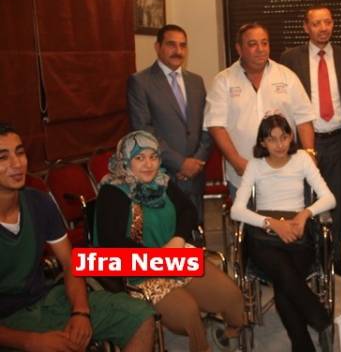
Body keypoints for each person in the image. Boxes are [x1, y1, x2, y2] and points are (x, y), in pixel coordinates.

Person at [0, 123, 155, 352]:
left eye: (20, 153)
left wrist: (80, 312)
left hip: (46, 301)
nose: (17, 163)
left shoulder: (38, 202)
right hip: (9, 324)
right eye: (3, 157)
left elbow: (70, 263)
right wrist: (31, 341)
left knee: (140, 316)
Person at [95, 130, 244, 352]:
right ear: (125, 160)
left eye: (153, 157)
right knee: (188, 312)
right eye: (139, 158)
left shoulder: (162, 182)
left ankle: (231, 334)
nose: (149, 165)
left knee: (230, 294)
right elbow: (112, 243)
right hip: (141, 271)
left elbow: (188, 211)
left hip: (175, 255)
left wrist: (178, 239)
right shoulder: (112, 192)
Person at [230, 114, 335, 352]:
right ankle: (321, 319)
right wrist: (272, 223)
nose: (279, 144)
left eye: (284, 137)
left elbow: (329, 198)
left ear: (291, 137)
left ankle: (303, 346)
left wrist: (305, 214)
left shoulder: (302, 159)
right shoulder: (255, 165)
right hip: (264, 237)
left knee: (285, 283)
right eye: (272, 139)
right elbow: (237, 210)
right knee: (286, 276)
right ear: (263, 142)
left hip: (297, 232)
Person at [280, 5, 341, 276]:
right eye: (316, 23)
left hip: (338, 139)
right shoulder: (290, 58)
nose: (323, 28)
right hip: (303, 142)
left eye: (327, 22)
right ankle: (308, 257)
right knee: (303, 201)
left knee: (335, 201)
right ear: (306, 27)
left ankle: (334, 257)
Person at [205, 23, 315, 196]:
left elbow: (304, 119)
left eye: (264, 43)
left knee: (288, 213)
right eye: (252, 44)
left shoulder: (287, 76)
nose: (261, 49)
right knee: (247, 214)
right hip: (243, 174)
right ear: (239, 48)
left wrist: (309, 153)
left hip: (286, 172)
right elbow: (216, 125)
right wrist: (236, 161)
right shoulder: (223, 81)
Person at [128, 24, 212, 224]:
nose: (178, 51)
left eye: (183, 45)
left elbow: (207, 125)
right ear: (157, 47)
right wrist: (180, 163)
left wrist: (197, 161)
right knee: (169, 235)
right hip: (162, 175)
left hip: (195, 176)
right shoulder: (140, 82)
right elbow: (144, 131)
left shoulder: (196, 82)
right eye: (171, 45)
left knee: (196, 231)